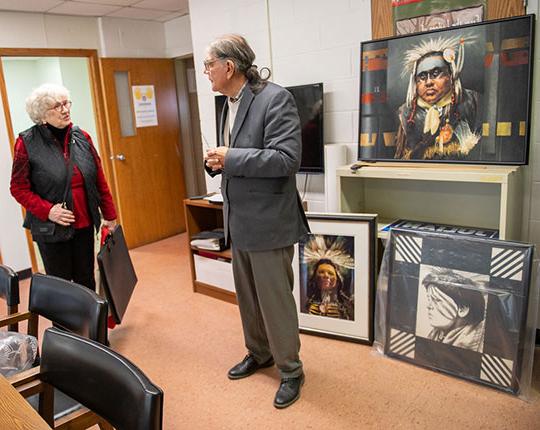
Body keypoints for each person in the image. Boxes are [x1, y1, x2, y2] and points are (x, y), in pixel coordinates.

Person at [203, 34, 309, 409]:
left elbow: (285, 159)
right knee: (248, 299)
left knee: (275, 302)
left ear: (229, 66)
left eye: (209, 65)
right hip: (239, 219)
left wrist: (230, 157)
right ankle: (259, 352)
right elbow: (234, 152)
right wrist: (215, 161)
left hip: (270, 221)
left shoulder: (275, 98)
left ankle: (291, 370)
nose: (206, 72)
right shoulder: (225, 103)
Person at [10, 83, 117, 291]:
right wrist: (48, 210)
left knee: (86, 279)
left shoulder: (83, 137)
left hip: (84, 224)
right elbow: (18, 188)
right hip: (51, 229)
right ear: (41, 115)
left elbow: (99, 180)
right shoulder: (26, 142)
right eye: (57, 106)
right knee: (61, 287)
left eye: (66, 103)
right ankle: (63, 325)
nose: (65, 109)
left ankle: (90, 323)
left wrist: (110, 216)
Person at [394, 36, 481, 160]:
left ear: (451, 76)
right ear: (415, 83)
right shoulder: (406, 114)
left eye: (436, 74)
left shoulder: (471, 102)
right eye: (422, 77)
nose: (428, 82)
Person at [422, 269, 486, 352]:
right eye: (429, 299)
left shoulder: (473, 345)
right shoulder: (436, 335)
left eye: (437, 300)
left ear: (462, 309)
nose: (428, 306)